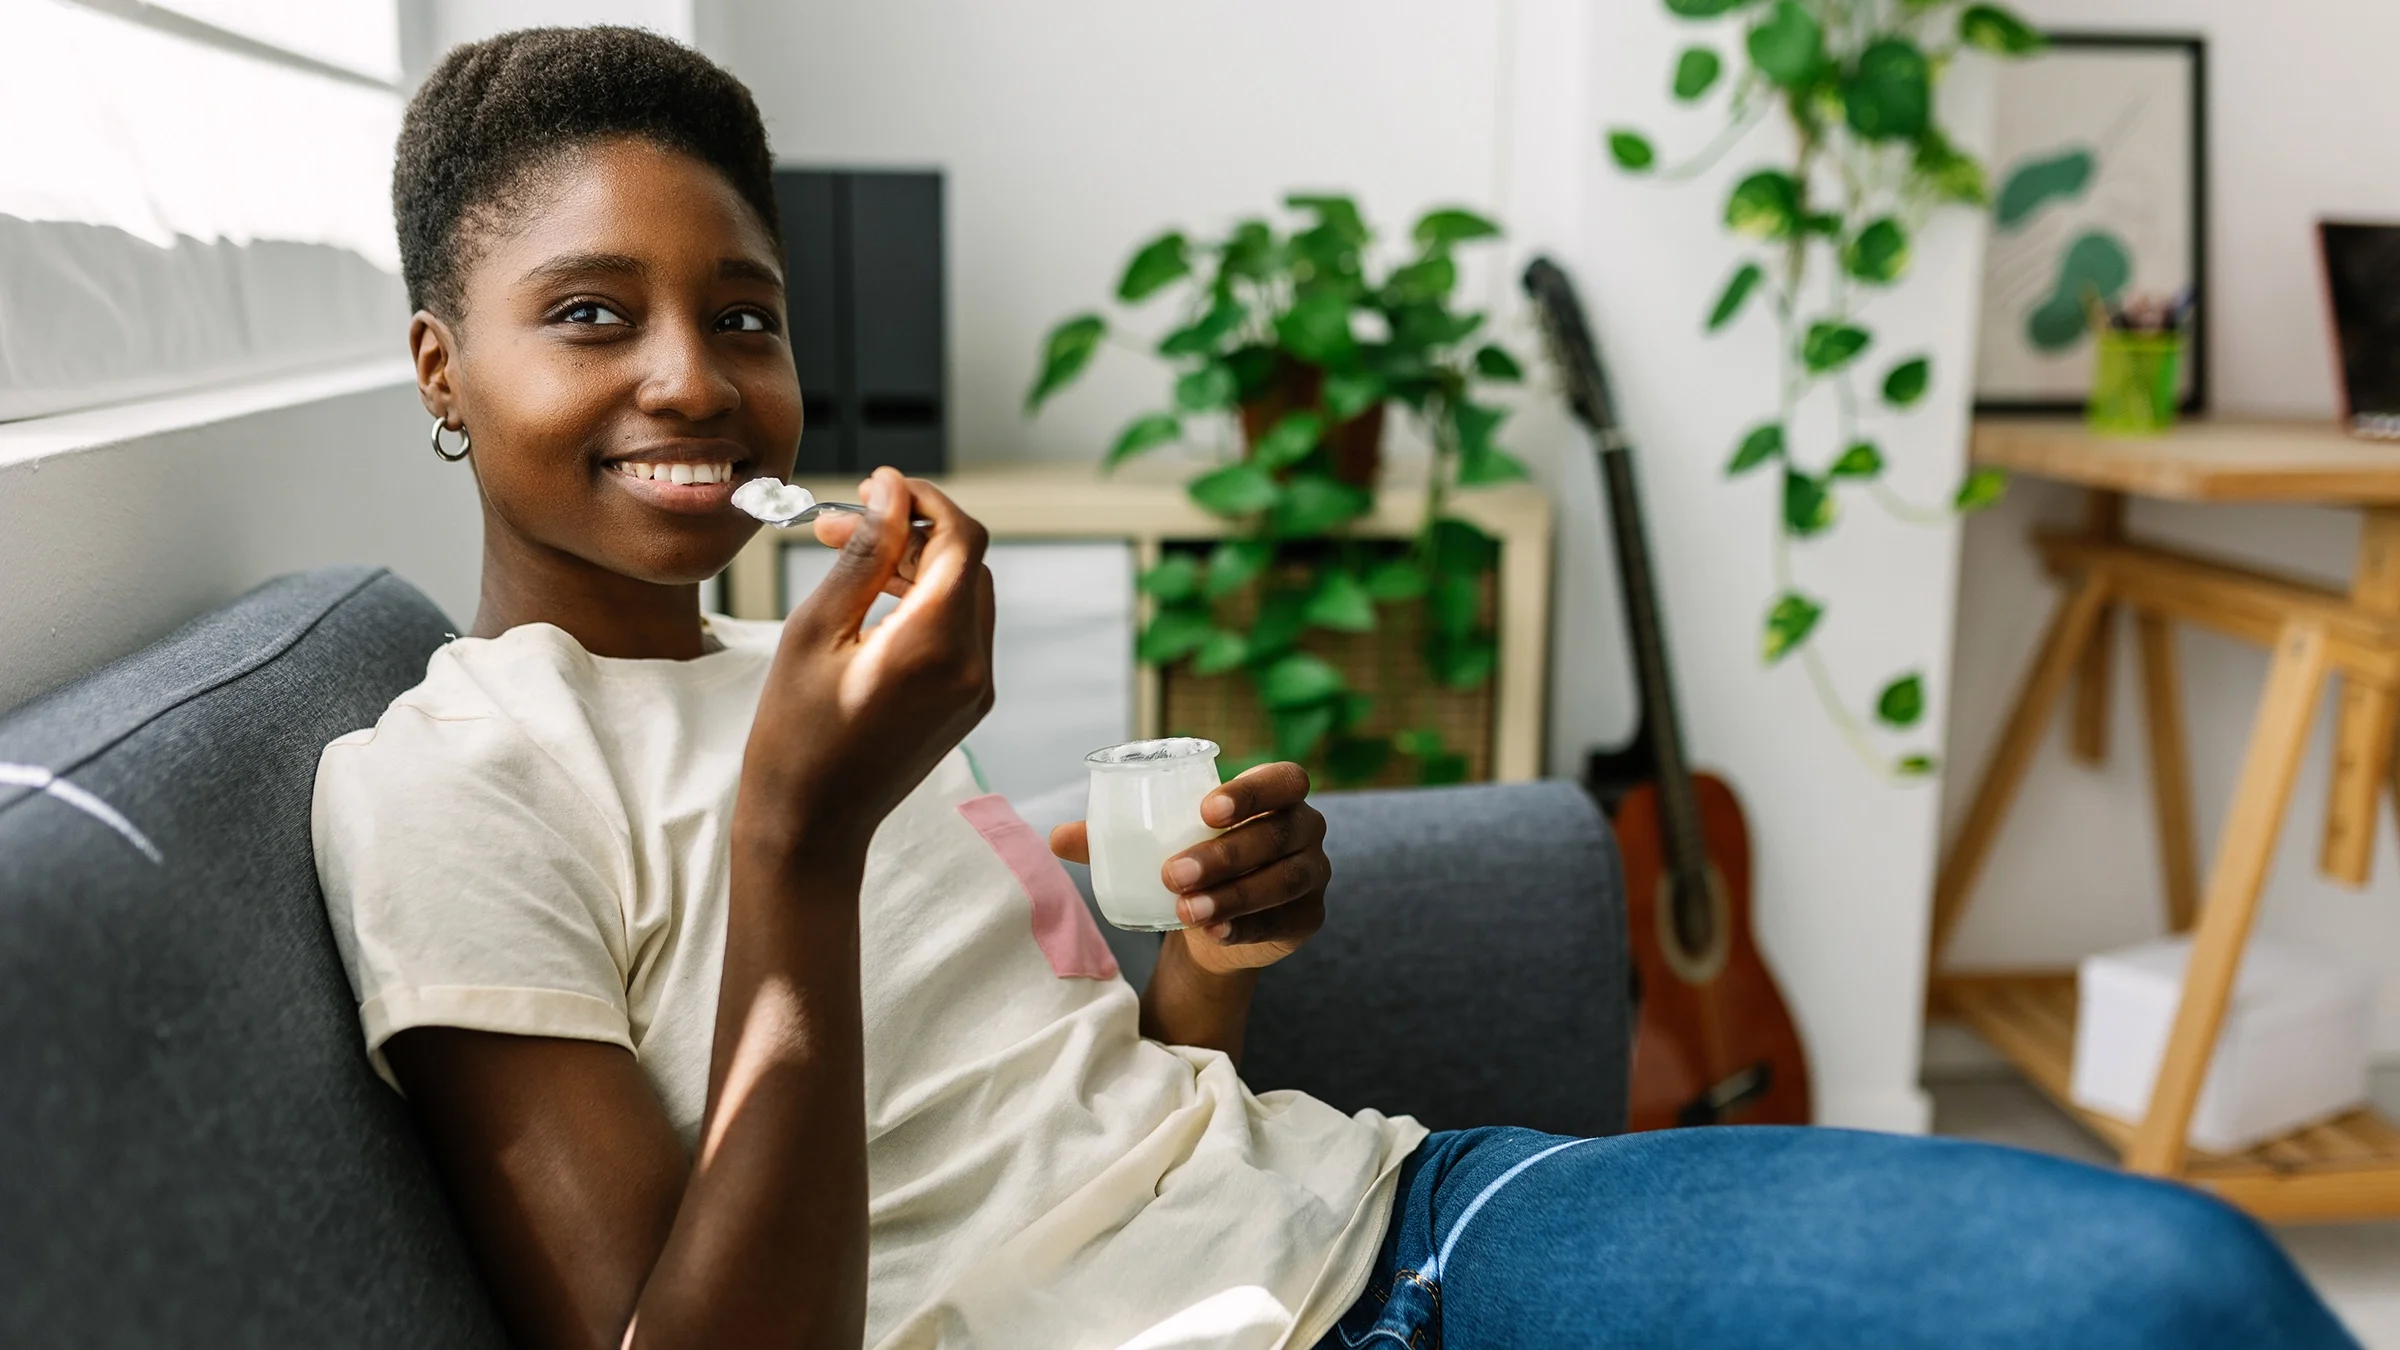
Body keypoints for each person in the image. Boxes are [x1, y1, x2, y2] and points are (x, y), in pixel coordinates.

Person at [311, 26, 2357, 1350]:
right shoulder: (444, 781)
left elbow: (1089, 1075)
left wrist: (1215, 948)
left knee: (2170, 1282)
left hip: (1399, 1214)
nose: (690, 375)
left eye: (739, 314)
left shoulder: (811, 661)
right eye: (592, 317)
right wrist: (796, 836)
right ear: (439, 370)